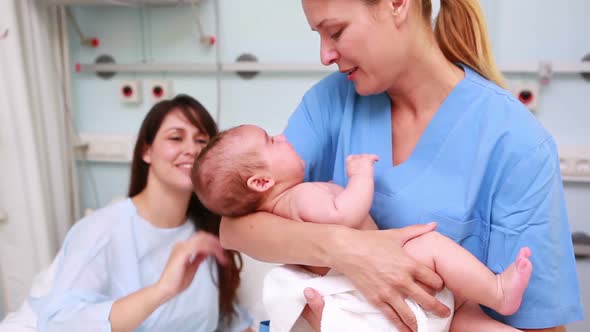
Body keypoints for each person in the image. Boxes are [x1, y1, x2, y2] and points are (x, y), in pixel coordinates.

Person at [218, 1, 584, 331]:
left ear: (397, 4)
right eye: (318, 35)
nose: (325, 55)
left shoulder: (515, 141)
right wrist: (347, 249)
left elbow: (542, 325)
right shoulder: (331, 102)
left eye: (336, 31)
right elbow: (237, 225)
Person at [193, 124, 533, 331]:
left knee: (457, 314)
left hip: (383, 300)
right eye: (270, 140)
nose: (282, 136)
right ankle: (497, 292)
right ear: (262, 181)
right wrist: (360, 176)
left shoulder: (287, 207)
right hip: (387, 294)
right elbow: (345, 215)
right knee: (429, 247)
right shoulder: (300, 198)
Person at [30, 95, 253, 332]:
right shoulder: (101, 229)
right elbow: (61, 322)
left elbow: (229, 321)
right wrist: (162, 290)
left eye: (202, 141)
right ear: (146, 151)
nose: (192, 149)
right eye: (176, 138)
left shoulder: (206, 233)